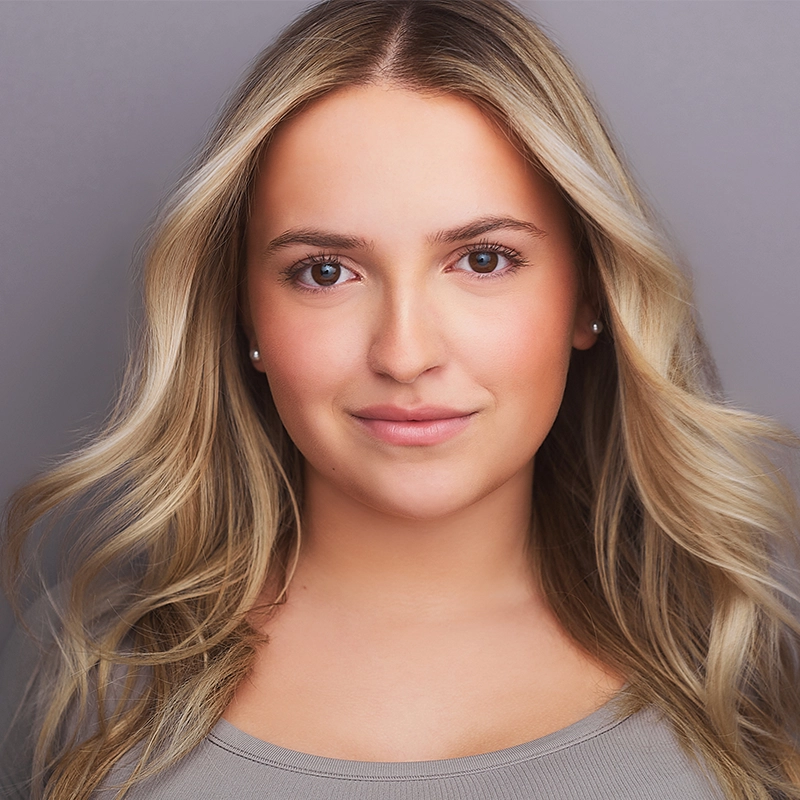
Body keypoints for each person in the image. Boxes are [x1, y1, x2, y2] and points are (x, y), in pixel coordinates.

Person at [2, 0, 799, 798]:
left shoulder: (744, 672)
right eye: (325, 271)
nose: (406, 354)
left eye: (483, 260)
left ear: (589, 294)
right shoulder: (80, 688)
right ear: (245, 315)